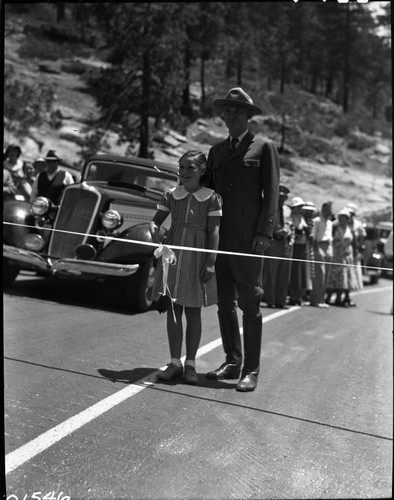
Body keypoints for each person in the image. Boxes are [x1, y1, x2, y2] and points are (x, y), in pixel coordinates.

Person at [205, 87, 280, 392]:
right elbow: (207, 194)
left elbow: (272, 193)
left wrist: (264, 231)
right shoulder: (216, 152)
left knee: (250, 302)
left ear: (249, 116)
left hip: (249, 239)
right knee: (224, 303)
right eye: (228, 110)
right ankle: (232, 360)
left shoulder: (263, 147)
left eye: (238, 111)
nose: (232, 115)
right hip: (219, 237)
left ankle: (251, 369)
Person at [150, 151, 222, 385]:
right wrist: (155, 229)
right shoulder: (171, 195)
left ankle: (190, 364)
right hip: (173, 255)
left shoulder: (211, 198)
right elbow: (156, 220)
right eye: (181, 167)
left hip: (197, 255)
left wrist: (210, 262)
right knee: (172, 308)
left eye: (190, 167)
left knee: (193, 310)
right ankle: (174, 363)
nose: (184, 172)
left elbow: (214, 231)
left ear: (202, 170)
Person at [263, 185, 293, 309]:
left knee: (284, 273)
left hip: (285, 243)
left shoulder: (287, 210)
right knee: (271, 273)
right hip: (274, 241)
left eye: (285, 196)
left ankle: (281, 301)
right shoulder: (271, 207)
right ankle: (271, 300)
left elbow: (290, 224)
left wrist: (289, 232)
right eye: (280, 195)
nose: (283, 197)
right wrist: (277, 232)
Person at [325, 208, 359, 307]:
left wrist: (354, 254)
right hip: (336, 255)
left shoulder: (349, 230)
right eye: (340, 218)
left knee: (343, 278)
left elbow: (354, 243)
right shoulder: (335, 227)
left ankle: (339, 298)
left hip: (346, 256)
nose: (342, 220)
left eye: (344, 218)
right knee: (333, 277)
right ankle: (328, 296)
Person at [310, 202, 334, 308]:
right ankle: (315, 299)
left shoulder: (330, 222)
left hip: (328, 246)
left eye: (330, 209)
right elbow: (313, 235)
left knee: (326, 274)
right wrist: (316, 249)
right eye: (326, 209)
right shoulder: (317, 221)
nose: (328, 212)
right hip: (319, 246)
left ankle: (321, 299)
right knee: (320, 274)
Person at [288, 196, 309, 306]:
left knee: (300, 272)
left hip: (302, 246)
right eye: (299, 206)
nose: (301, 208)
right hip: (296, 245)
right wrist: (299, 232)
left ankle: (298, 295)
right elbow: (292, 230)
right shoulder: (292, 217)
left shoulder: (301, 217)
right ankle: (294, 295)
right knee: (295, 272)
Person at [346, 202, 366, 291]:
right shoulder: (342, 222)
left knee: (353, 274)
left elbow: (362, 238)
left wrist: (359, 249)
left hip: (354, 252)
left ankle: (347, 296)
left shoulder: (357, 225)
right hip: (344, 251)